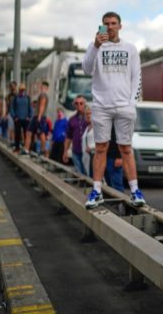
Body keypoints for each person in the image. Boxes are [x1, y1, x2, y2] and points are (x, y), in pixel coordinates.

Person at [81, 11, 144, 209]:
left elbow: (137, 77)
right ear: (102, 26)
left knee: (126, 149)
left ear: (120, 25)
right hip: (101, 106)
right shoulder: (95, 47)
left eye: (114, 23)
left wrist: (132, 104)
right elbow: (86, 69)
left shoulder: (130, 49)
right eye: (106, 23)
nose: (110, 26)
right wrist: (96, 46)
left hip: (124, 106)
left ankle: (134, 190)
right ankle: (97, 190)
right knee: (101, 149)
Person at [63, 96, 89, 175]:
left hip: (87, 152)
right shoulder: (71, 119)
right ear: (74, 105)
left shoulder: (89, 117)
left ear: (84, 104)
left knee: (88, 174)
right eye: (76, 103)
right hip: (76, 151)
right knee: (79, 175)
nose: (79, 105)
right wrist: (65, 152)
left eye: (81, 103)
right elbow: (68, 137)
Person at [24, 81, 50, 157]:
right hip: (35, 116)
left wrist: (39, 116)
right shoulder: (41, 94)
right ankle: (26, 150)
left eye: (44, 87)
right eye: (41, 87)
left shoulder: (43, 95)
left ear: (47, 88)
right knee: (28, 132)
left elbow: (42, 105)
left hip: (40, 117)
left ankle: (43, 151)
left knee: (41, 133)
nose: (42, 88)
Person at [10, 83, 32, 153]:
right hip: (18, 119)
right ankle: (17, 148)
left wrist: (29, 116)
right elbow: (12, 108)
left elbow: (30, 108)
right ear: (19, 90)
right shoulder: (15, 98)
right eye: (21, 90)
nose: (22, 91)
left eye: (23, 90)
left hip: (26, 119)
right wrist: (14, 117)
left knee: (26, 134)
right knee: (17, 134)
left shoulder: (27, 98)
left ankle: (26, 148)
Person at [105, 126, 124, 193]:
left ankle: (119, 201)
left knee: (116, 183)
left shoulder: (116, 122)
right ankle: (113, 201)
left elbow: (120, 139)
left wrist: (119, 157)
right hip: (106, 156)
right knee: (109, 181)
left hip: (114, 157)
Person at [81, 105, 95, 177]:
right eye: (86, 114)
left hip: (94, 158)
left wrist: (91, 147)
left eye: (90, 113)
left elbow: (103, 141)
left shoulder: (97, 126)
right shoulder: (87, 128)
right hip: (87, 160)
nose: (88, 116)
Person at [5, 81, 17, 146]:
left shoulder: (18, 95)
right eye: (11, 86)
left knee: (16, 129)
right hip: (11, 113)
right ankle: (11, 141)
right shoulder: (8, 96)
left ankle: (15, 141)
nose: (12, 87)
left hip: (17, 113)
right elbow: (7, 105)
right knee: (11, 128)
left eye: (13, 86)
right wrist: (6, 114)